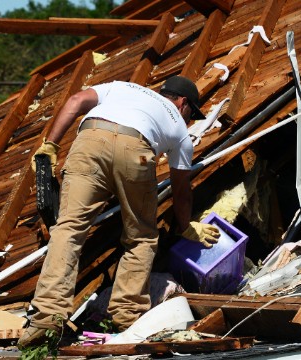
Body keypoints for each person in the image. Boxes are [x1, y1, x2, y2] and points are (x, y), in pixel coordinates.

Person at [18, 76, 222, 348]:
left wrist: (50, 146)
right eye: (192, 113)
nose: (189, 120)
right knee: (141, 237)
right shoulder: (178, 126)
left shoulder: (122, 87)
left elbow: (76, 100)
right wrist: (186, 225)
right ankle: (126, 318)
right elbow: (181, 187)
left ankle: (45, 320)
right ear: (183, 103)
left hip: (89, 140)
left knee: (68, 230)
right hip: (135, 151)